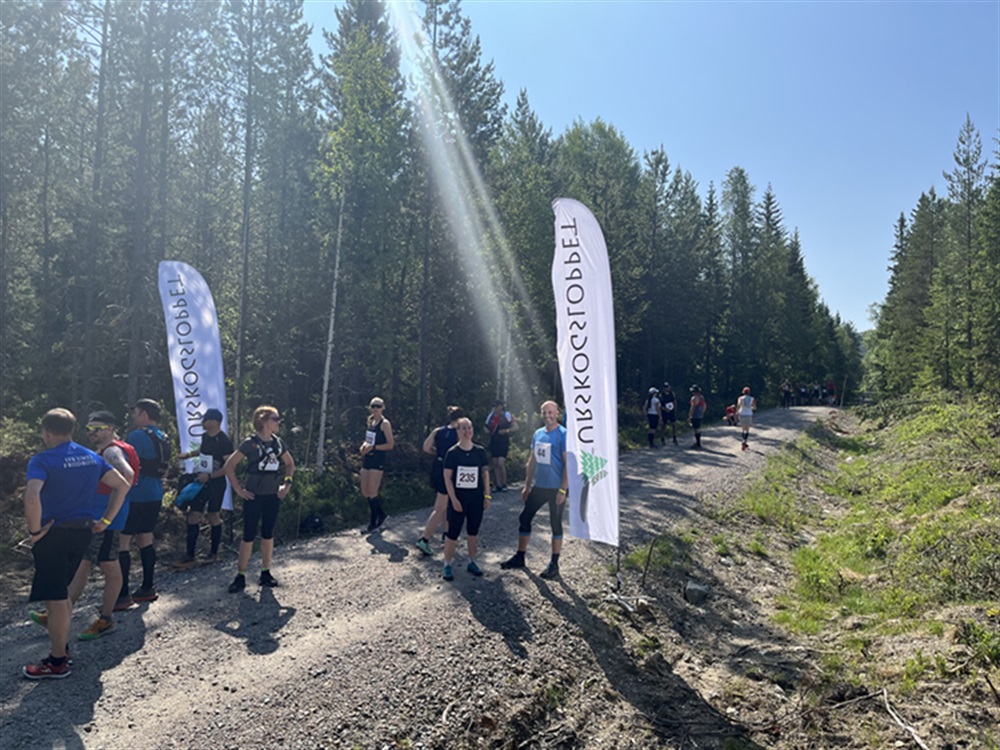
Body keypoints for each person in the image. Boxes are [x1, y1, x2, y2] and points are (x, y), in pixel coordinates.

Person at [21, 408, 130, 679]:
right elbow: (123, 484)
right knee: (62, 592)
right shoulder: (91, 457)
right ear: (72, 430)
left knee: (56, 597)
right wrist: (106, 520)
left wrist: (34, 532)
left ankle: (57, 661)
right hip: (83, 532)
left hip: (52, 533)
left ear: (46, 432)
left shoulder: (42, 460)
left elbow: (32, 497)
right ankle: (63, 648)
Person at [223, 405, 294, 593]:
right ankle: (240, 576)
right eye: (275, 419)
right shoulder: (250, 443)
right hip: (253, 496)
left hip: (272, 496)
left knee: (268, 534)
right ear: (263, 420)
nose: (278, 422)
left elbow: (290, 464)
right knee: (248, 536)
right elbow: (229, 466)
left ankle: (265, 572)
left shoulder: (278, 443)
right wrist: (239, 490)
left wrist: (286, 485)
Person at [500, 400, 568, 580]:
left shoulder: (563, 434)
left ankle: (554, 564)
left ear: (557, 413)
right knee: (524, 517)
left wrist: (563, 489)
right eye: (544, 412)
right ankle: (520, 557)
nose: (547, 415)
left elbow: (568, 464)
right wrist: (527, 485)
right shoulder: (538, 434)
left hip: (556, 488)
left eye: (550, 412)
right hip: (540, 486)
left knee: (555, 523)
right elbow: (532, 461)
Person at [118, 398, 169, 607]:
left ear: (144, 414)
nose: (133, 416)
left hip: (135, 494)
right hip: (155, 493)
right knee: (145, 538)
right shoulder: (163, 437)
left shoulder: (136, 436)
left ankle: (122, 593)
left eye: (135, 412)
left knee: (123, 541)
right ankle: (147, 587)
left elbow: (124, 464)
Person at [175, 408, 233, 567]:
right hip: (201, 482)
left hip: (216, 483)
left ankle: (214, 553)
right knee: (193, 515)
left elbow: (229, 466)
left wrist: (211, 476)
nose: (203, 422)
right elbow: (203, 450)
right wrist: (188, 455)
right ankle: (190, 555)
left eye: (206, 419)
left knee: (213, 515)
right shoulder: (206, 436)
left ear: (214, 422)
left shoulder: (224, 441)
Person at [441, 418, 491, 581]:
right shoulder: (452, 453)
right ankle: (447, 564)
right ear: (458, 431)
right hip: (458, 499)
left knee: (473, 531)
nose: (467, 431)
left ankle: (472, 561)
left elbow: (485, 475)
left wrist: (487, 495)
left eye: (469, 428)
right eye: (463, 428)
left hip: (476, 499)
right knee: (452, 532)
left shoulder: (480, 452)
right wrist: (453, 499)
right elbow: (447, 478)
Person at [415, 405, 462, 556]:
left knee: (444, 503)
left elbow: (426, 447)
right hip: (450, 470)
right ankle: (424, 539)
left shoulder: (438, 431)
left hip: (437, 467)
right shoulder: (459, 432)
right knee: (440, 507)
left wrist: (437, 452)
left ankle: (446, 534)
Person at [359, 397, 394, 534]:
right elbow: (368, 440)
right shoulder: (371, 421)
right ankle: (382, 515)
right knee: (365, 492)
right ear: (370, 408)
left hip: (378, 460)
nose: (375, 409)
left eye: (378, 406)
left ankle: (373, 523)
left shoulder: (385, 424)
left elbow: (390, 444)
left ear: (383, 408)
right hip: (367, 459)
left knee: (372, 491)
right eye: (373, 406)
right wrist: (363, 447)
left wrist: (374, 448)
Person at [484, 400, 517, 492]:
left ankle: (504, 483)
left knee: (500, 463)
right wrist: (487, 431)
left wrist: (506, 431)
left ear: (501, 407)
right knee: (495, 463)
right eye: (494, 406)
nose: (495, 408)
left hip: (503, 441)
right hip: (494, 441)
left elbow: (515, 427)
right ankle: (498, 484)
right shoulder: (490, 416)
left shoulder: (506, 415)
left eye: (497, 406)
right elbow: (486, 427)